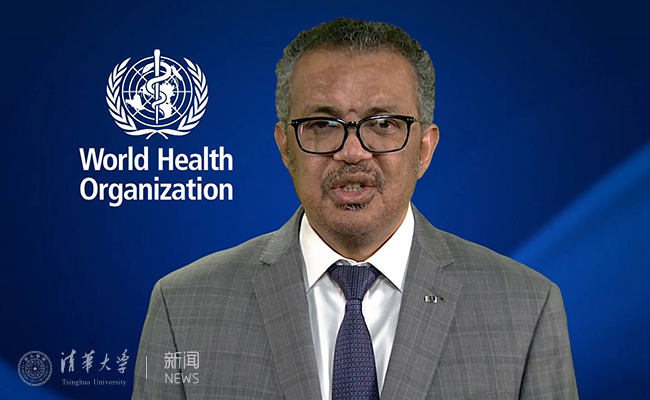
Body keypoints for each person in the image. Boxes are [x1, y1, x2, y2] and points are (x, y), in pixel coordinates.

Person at [132, 18, 578, 400]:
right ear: (285, 147)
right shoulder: (182, 307)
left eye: (383, 123)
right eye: (322, 124)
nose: (352, 151)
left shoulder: (527, 307)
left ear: (424, 149)